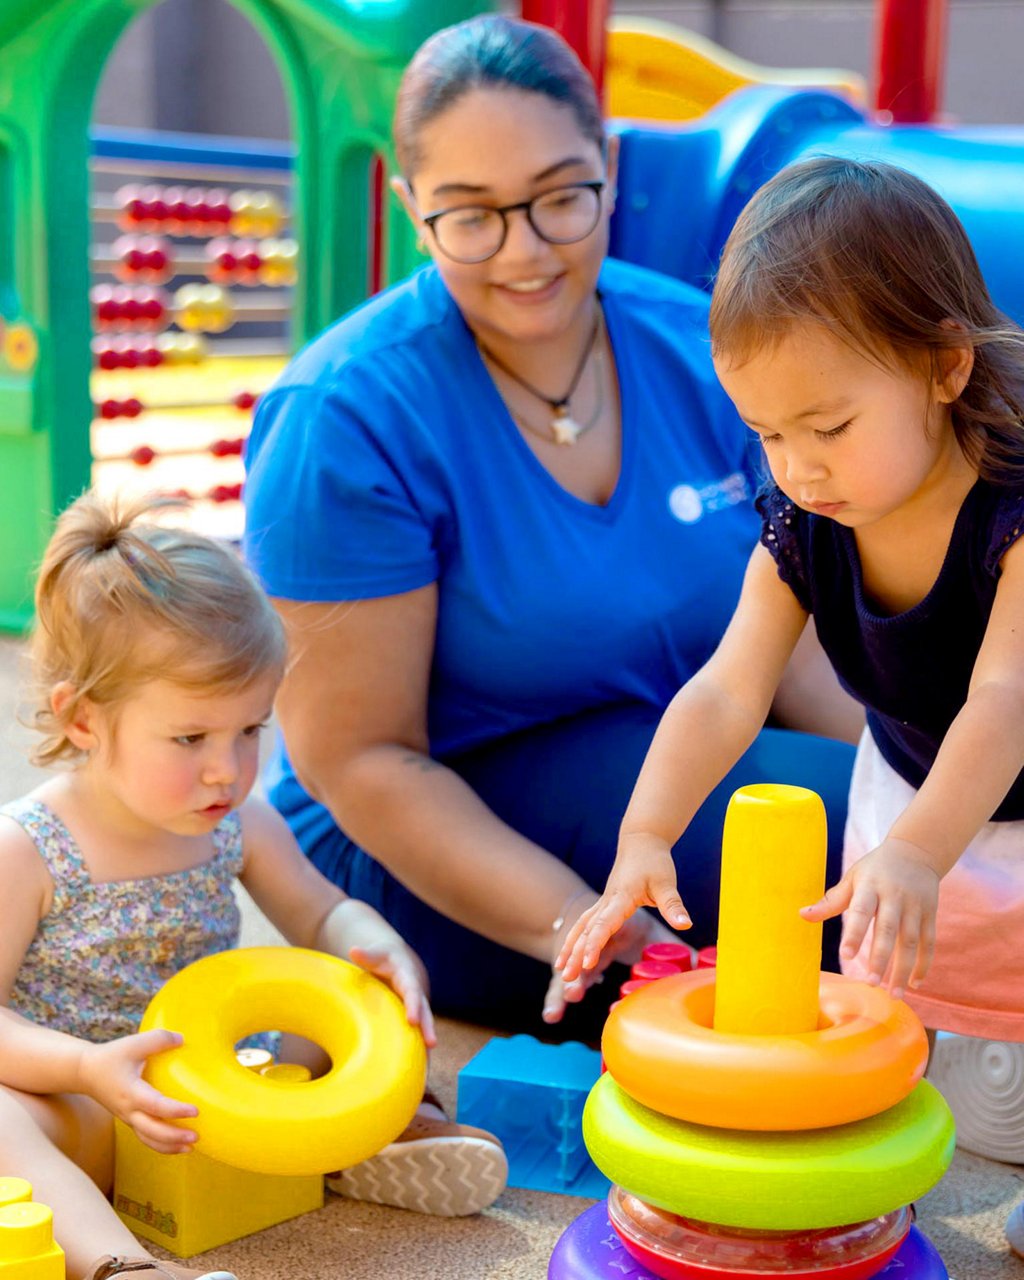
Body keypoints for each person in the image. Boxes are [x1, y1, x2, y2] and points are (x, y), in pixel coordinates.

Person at [242, 14, 860, 1036]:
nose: (524, 251)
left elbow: (786, 643)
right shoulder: (345, 417)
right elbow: (362, 761)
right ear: (410, 209)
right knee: (833, 852)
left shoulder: (699, 346)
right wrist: (578, 923)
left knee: (922, 822)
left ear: (608, 169)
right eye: (471, 216)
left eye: (559, 198)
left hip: (660, 758)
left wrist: (926, 776)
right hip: (424, 842)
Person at [559, 156, 1024, 1061]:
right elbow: (728, 691)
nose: (799, 467)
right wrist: (646, 832)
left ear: (945, 367)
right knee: (916, 1028)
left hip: (992, 783)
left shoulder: (1011, 515)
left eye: (830, 427)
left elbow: (1005, 701)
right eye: (768, 434)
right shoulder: (809, 524)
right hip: (914, 787)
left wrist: (920, 852)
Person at [0, 493, 507, 1280]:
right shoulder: (29, 848)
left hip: (232, 1089)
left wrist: (374, 943)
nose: (227, 770)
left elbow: (320, 912)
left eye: (250, 730)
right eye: (190, 737)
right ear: (83, 720)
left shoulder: (239, 823)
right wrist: (83, 1070)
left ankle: (368, 1134)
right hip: (87, 1103)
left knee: (337, 1004)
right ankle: (119, 1266)